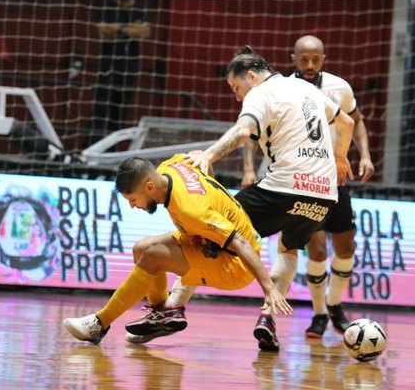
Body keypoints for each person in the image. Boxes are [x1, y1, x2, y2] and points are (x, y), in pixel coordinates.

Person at [122, 46, 356, 351]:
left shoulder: (260, 92)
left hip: (284, 187)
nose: (237, 96)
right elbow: (347, 123)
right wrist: (340, 158)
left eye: (236, 88)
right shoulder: (304, 87)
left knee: (209, 228)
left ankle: (171, 309)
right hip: (325, 196)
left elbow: (243, 130)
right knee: (289, 247)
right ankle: (268, 318)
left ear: (250, 76)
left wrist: (208, 154)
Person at [62, 154, 293, 345]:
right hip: (202, 237)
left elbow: (241, 243)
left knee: (153, 256)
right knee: (141, 248)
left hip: (234, 264)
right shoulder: (171, 165)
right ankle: (162, 312)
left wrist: (269, 288)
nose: (133, 206)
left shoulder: (192, 211)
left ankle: (98, 324)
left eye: (133, 199)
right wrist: (207, 158)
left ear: (149, 187)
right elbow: (203, 164)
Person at [288, 35, 374, 337]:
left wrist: (364, 155)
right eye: (303, 59)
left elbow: (357, 120)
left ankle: (335, 305)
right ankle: (319, 314)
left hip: (336, 177)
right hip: (304, 181)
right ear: (293, 58)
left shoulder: (340, 87)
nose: (309, 64)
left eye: (315, 59)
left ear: (323, 59)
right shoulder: (284, 88)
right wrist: (249, 168)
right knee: (317, 249)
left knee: (346, 245)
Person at [87, 0, 151, 148]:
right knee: (100, 110)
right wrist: (129, 29)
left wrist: (117, 29)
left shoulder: (141, 8)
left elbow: (144, 32)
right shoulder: (107, 6)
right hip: (107, 67)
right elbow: (103, 31)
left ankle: (112, 151)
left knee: (119, 113)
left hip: (129, 68)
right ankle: (92, 147)